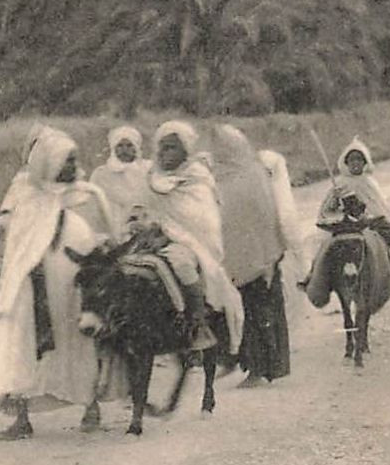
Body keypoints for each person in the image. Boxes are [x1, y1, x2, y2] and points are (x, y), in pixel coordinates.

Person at [0, 127, 111, 440]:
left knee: (80, 342)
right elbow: (17, 242)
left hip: (74, 288)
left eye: (74, 161)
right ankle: (22, 418)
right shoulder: (27, 194)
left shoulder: (87, 194)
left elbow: (105, 237)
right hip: (32, 287)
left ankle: (90, 405)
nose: (72, 167)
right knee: (23, 344)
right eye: (65, 161)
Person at [133, 121, 244, 358]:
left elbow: (201, 221)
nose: (164, 154)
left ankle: (198, 322)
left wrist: (166, 234)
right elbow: (143, 208)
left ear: (186, 151)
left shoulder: (197, 178)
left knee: (182, 265)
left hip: (188, 243)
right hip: (153, 237)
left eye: (172, 148)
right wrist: (142, 225)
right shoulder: (152, 176)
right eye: (161, 148)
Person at [214, 126, 306, 387]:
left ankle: (260, 370)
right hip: (232, 258)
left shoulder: (255, 175)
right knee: (236, 311)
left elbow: (269, 214)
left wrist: (268, 256)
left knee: (259, 312)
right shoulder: (217, 177)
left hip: (261, 256)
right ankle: (240, 362)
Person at [305, 139, 390, 303]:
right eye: (352, 160)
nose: (355, 164)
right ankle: (313, 278)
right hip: (345, 224)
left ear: (365, 163)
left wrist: (369, 217)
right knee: (323, 243)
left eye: (359, 160)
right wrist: (339, 205)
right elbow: (325, 211)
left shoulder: (370, 183)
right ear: (345, 163)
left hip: (370, 223)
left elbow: (379, 207)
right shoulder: (339, 184)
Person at [89, 125, 154, 238]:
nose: (124, 150)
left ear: (136, 147)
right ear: (113, 147)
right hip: (115, 226)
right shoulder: (101, 174)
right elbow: (95, 208)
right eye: (120, 146)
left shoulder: (149, 170)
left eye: (129, 145)